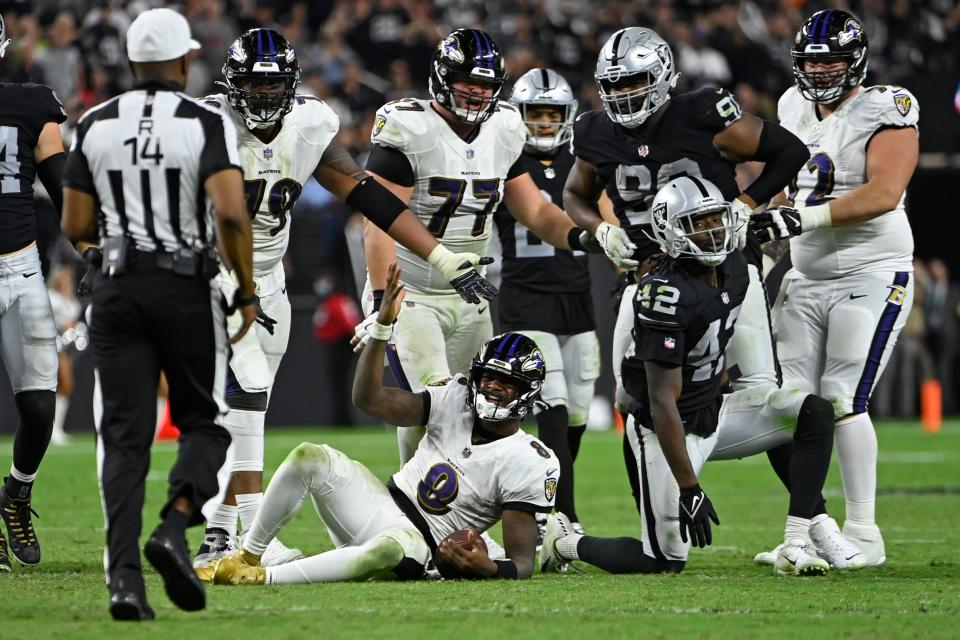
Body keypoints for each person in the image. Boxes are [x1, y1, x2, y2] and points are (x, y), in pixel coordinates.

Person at [197, 28, 507, 568]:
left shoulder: (309, 123)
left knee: (250, 406)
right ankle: (241, 537)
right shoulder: (203, 125)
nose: (266, 97)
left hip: (269, 277)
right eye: (255, 86)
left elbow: (367, 194)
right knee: (246, 392)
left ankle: (220, 533)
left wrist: (437, 256)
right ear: (232, 85)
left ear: (292, 87)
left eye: (275, 87)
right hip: (212, 273)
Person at [60, 8, 256, 620]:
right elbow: (229, 212)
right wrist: (246, 289)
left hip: (115, 291)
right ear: (183, 59)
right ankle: (174, 525)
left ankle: (123, 581)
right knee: (205, 423)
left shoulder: (93, 122)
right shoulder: (203, 119)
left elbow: (73, 225)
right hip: (182, 285)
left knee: (124, 440)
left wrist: (110, 259)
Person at [541, 177, 836, 577]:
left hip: (717, 412)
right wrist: (689, 487)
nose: (713, 231)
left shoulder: (734, 266)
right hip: (667, 429)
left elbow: (774, 200)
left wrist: (789, 214)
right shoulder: (664, 294)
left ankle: (797, 539)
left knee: (814, 411)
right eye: (699, 223)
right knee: (663, 561)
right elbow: (662, 401)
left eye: (716, 219)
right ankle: (565, 544)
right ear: (671, 231)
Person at [195, 264, 556, 585]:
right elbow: (369, 400)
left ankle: (262, 577)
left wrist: (489, 569)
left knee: (387, 549)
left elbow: (522, 562)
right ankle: (248, 554)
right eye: (489, 377)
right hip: (380, 504)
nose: (493, 386)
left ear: (527, 392)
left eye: (507, 382)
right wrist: (383, 326)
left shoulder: (529, 458)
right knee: (310, 456)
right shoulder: (455, 398)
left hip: (420, 546)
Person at [357, 28, 595, 469]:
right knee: (435, 403)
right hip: (412, 291)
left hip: (469, 296)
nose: (477, 91)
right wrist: (380, 301)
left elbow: (537, 212)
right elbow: (378, 220)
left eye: (486, 84)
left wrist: (589, 237)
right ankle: (417, 505)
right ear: (442, 77)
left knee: (478, 411)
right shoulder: (411, 127)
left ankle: (448, 510)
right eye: (468, 80)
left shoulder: (503, 127)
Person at [749, 10, 919, 568]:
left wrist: (800, 220)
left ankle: (864, 532)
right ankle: (813, 529)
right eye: (812, 60)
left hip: (872, 270)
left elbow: (883, 193)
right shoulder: (791, 107)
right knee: (793, 404)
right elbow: (788, 187)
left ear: (857, 61)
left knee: (844, 398)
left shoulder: (887, 107)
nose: (820, 71)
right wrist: (763, 215)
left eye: (832, 60)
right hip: (805, 273)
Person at [493, 68, 599, 536]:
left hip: (576, 297)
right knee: (552, 408)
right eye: (533, 113)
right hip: (526, 296)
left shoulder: (584, 161)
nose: (541, 122)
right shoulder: (502, 162)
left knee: (576, 413)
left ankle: (545, 498)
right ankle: (564, 520)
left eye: (550, 113)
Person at [0, 13, 68, 573]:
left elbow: (63, 189)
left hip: (20, 266)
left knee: (40, 405)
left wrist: (92, 251)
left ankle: (16, 495)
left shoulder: (30, 102)